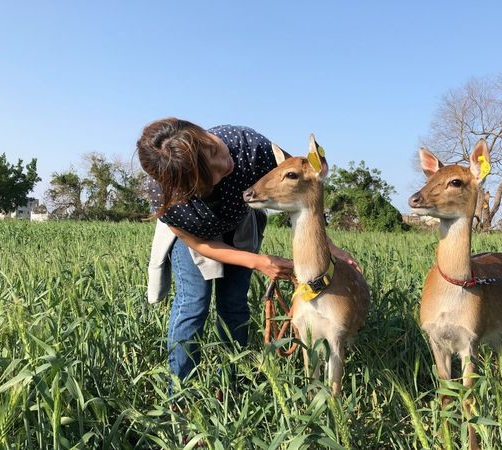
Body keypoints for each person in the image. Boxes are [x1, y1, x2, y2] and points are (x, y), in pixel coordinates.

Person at [137, 118, 361, 383]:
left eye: (212, 149)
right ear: (189, 186)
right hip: (198, 235)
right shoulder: (169, 196)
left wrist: (330, 246)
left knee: (234, 305)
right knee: (193, 305)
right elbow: (201, 245)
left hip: (241, 224)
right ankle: (180, 392)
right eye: (211, 175)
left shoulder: (247, 145)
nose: (224, 163)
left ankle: (233, 383)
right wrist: (258, 261)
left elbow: (304, 189)